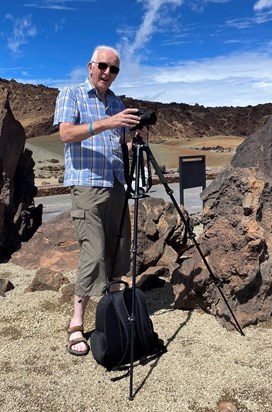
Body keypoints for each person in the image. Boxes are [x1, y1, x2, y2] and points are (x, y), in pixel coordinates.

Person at [53, 45, 148, 356]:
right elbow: (66, 134)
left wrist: (133, 142)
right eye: (104, 66)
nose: (108, 73)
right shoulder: (72, 94)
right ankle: (76, 323)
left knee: (119, 252)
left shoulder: (117, 103)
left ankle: (115, 315)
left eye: (114, 69)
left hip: (116, 185)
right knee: (93, 255)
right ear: (91, 66)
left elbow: (122, 149)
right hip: (86, 187)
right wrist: (109, 122)